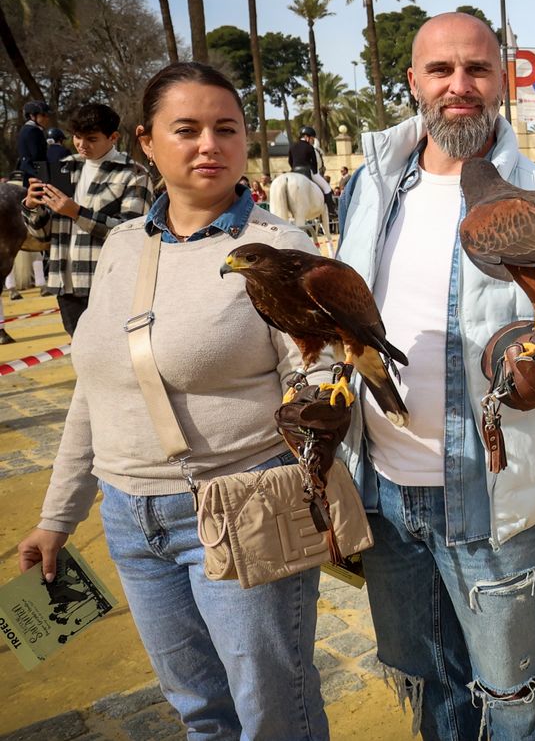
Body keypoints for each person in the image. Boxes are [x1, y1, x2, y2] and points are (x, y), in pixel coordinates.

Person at [16, 62, 333, 738]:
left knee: (273, 714)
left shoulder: (281, 248)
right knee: (199, 713)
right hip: (130, 521)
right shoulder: (125, 246)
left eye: (227, 129)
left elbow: (318, 384)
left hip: (238, 508)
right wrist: (56, 517)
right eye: (185, 129)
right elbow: (94, 393)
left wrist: (318, 475)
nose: (208, 145)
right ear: (147, 141)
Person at [334, 12, 535, 740]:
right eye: (442, 71)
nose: (461, 86)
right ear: (415, 81)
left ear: (503, 81)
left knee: (510, 699)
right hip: (385, 495)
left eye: (478, 70)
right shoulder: (371, 187)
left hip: (491, 498)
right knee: (431, 688)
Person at [22, 102, 155, 336]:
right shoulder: (62, 168)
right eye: (77, 137)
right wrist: (33, 207)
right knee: (80, 355)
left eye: (92, 139)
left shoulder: (134, 174)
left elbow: (130, 234)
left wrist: (75, 212)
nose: (82, 145)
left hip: (108, 284)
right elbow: (42, 235)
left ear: (113, 137)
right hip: (65, 283)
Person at [15, 100, 51, 180]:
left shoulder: (25, 129)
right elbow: (37, 156)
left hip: (28, 173)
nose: (47, 118)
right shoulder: (34, 131)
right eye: (43, 115)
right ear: (32, 116)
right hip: (35, 175)